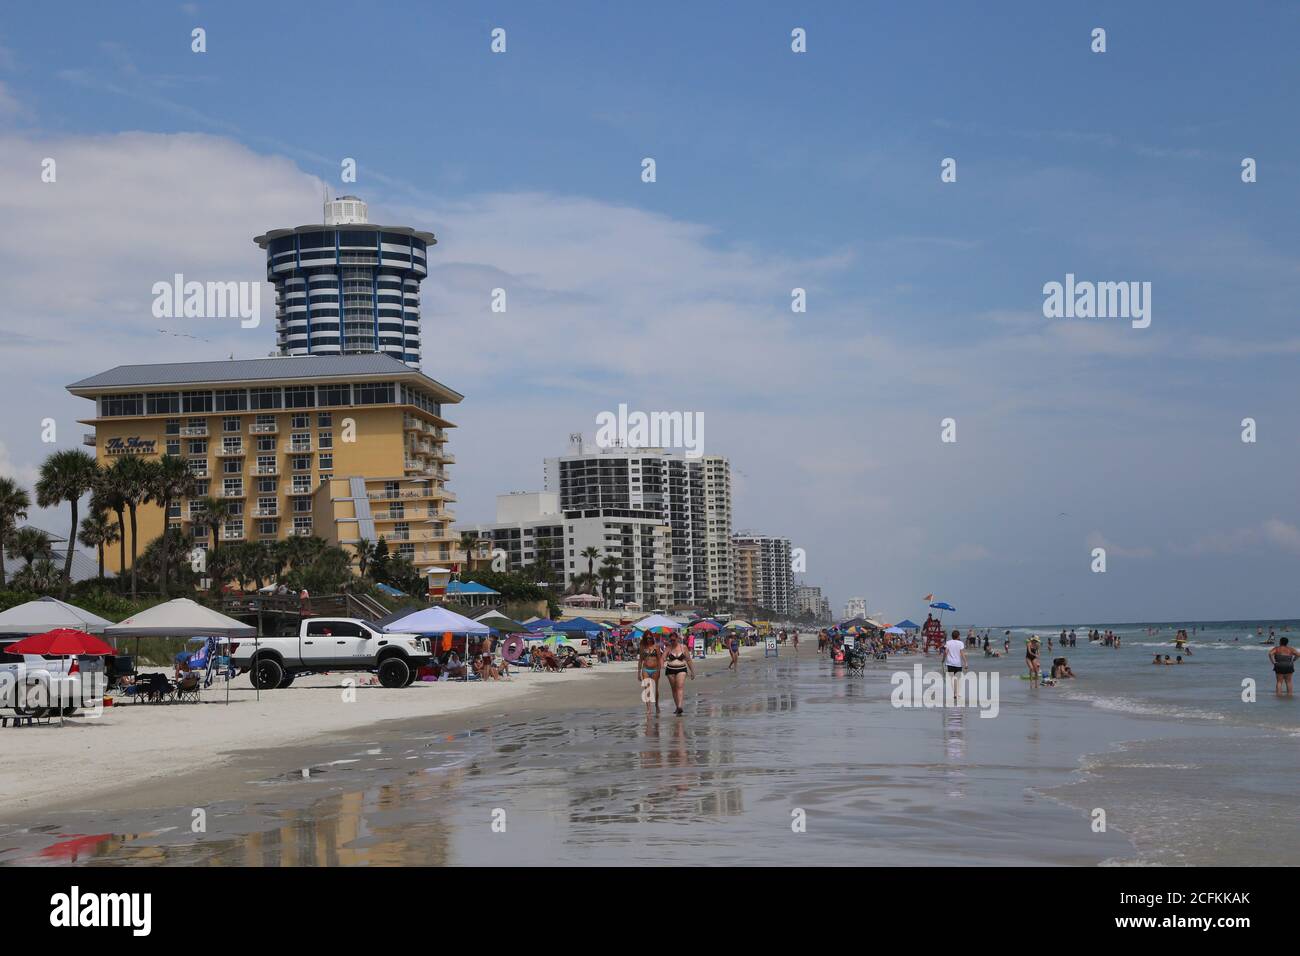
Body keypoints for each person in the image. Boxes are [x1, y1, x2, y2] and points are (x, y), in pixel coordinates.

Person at [663, 632, 694, 716]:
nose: (672, 641)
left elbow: (688, 660)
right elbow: (663, 658)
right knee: (674, 689)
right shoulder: (668, 648)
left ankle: (680, 706)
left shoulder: (683, 647)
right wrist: (663, 662)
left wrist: (692, 671)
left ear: (677, 639)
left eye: (674, 640)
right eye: (671, 640)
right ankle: (677, 707)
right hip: (670, 670)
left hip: (681, 669)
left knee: (679, 687)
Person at [638, 635, 663, 712]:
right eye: (647, 638)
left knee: (655, 689)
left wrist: (659, 670)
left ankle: (656, 705)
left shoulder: (656, 647)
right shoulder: (643, 648)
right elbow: (640, 660)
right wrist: (638, 672)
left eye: (650, 638)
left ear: (652, 638)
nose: (648, 639)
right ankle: (648, 708)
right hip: (645, 669)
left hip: (655, 670)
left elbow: (659, 659)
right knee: (647, 689)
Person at [944, 629, 967, 703]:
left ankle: (954, 693)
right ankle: (956, 693)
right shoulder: (960, 643)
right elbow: (962, 653)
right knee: (957, 679)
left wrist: (943, 659)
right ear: (958, 636)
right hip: (958, 664)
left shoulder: (948, 642)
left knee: (951, 679)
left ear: (952, 636)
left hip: (950, 663)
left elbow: (945, 652)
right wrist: (966, 662)